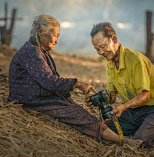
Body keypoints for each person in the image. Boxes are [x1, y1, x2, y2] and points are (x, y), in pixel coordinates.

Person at [8, 14, 142, 147]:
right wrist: (77, 83)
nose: (56, 40)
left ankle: (114, 135)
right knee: (80, 116)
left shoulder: (40, 52)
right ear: (41, 32)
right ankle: (123, 141)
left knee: (78, 110)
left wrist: (71, 102)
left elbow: (55, 79)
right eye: (55, 35)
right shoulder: (33, 52)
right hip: (31, 100)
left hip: (39, 98)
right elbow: (49, 81)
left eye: (58, 37)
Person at [86, 22, 154, 146]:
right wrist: (99, 100)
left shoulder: (136, 60)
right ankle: (144, 127)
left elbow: (145, 95)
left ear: (114, 39)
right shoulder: (110, 65)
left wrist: (123, 107)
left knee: (141, 141)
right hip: (134, 110)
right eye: (97, 49)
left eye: (103, 46)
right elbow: (112, 97)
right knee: (103, 129)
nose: (100, 52)